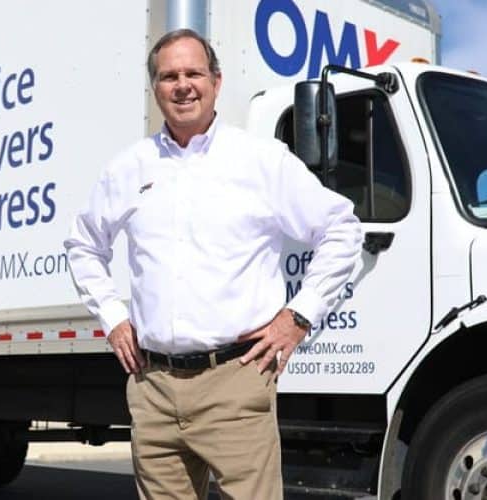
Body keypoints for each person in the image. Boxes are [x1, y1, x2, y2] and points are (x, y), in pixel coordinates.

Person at [64, 28, 362, 499]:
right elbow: (83, 245)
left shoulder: (260, 160)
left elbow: (343, 228)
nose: (182, 85)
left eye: (193, 73)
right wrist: (114, 318)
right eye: (169, 76)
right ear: (155, 88)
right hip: (152, 385)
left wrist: (297, 317)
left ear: (216, 81)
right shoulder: (128, 169)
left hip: (236, 381)